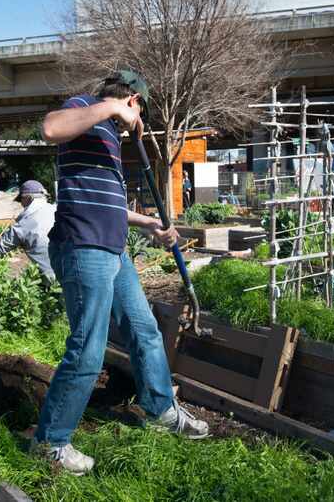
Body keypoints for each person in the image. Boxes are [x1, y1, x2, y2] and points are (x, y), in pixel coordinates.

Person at [31, 70, 209, 475]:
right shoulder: (82, 108)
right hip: (83, 247)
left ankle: (160, 410)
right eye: (140, 108)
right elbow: (49, 128)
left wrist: (147, 224)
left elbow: (106, 203)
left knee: (143, 329)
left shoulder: (107, 135)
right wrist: (113, 107)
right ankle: (50, 443)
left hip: (114, 249)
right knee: (88, 348)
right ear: (134, 102)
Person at [0, 179, 56, 282]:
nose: (21, 204)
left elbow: (0, 247)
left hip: (51, 277)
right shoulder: (55, 209)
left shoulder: (25, 223)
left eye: (21, 200)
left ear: (28, 198)